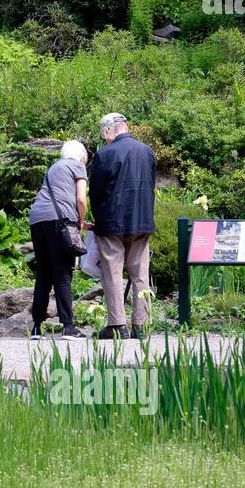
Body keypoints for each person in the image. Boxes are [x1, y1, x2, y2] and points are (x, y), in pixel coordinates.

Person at [88, 113, 156, 339]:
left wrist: (96, 218)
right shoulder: (147, 151)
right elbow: (151, 185)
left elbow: (95, 192)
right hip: (142, 220)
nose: (104, 138)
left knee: (113, 273)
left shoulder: (104, 154)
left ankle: (117, 325)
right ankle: (141, 325)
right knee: (140, 274)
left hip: (111, 221)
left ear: (108, 130)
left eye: (103, 134)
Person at [26, 140, 89, 338]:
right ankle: (68, 327)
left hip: (37, 219)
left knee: (44, 273)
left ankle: (36, 327)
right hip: (59, 220)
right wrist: (81, 221)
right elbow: (80, 199)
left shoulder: (54, 167)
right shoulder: (78, 166)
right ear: (81, 156)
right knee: (62, 273)